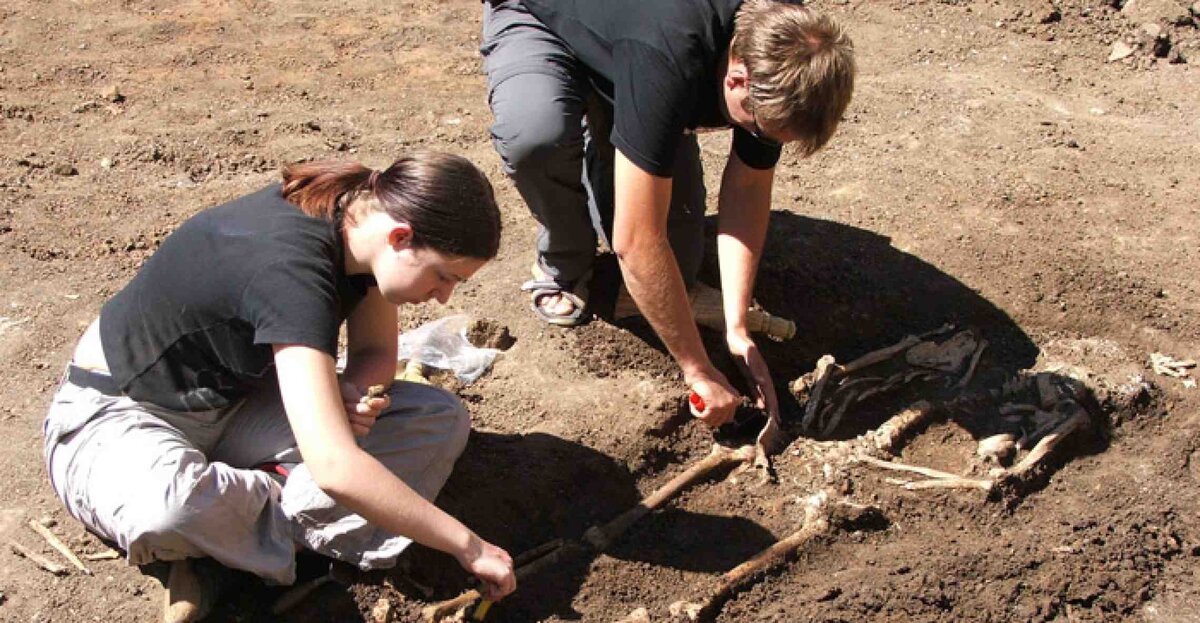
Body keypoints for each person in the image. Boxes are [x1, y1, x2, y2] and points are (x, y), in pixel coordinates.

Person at [42, 153, 517, 622]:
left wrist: (354, 392)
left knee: (435, 418)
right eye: (443, 276)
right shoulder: (291, 272)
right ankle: (251, 540)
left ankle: (228, 546)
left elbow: (374, 354)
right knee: (169, 510)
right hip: (122, 411)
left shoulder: (360, 223)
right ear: (401, 237)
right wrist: (468, 545)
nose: (443, 296)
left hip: (241, 396)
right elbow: (333, 468)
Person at [480, 0, 857, 430]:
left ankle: (624, 122)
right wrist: (696, 368)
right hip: (543, 15)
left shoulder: (785, 44)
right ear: (736, 79)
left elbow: (749, 185)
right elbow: (636, 243)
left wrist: (736, 327)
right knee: (537, 135)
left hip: (637, 46)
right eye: (759, 130)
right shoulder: (669, 55)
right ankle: (563, 259)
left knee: (673, 270)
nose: (761, 141)